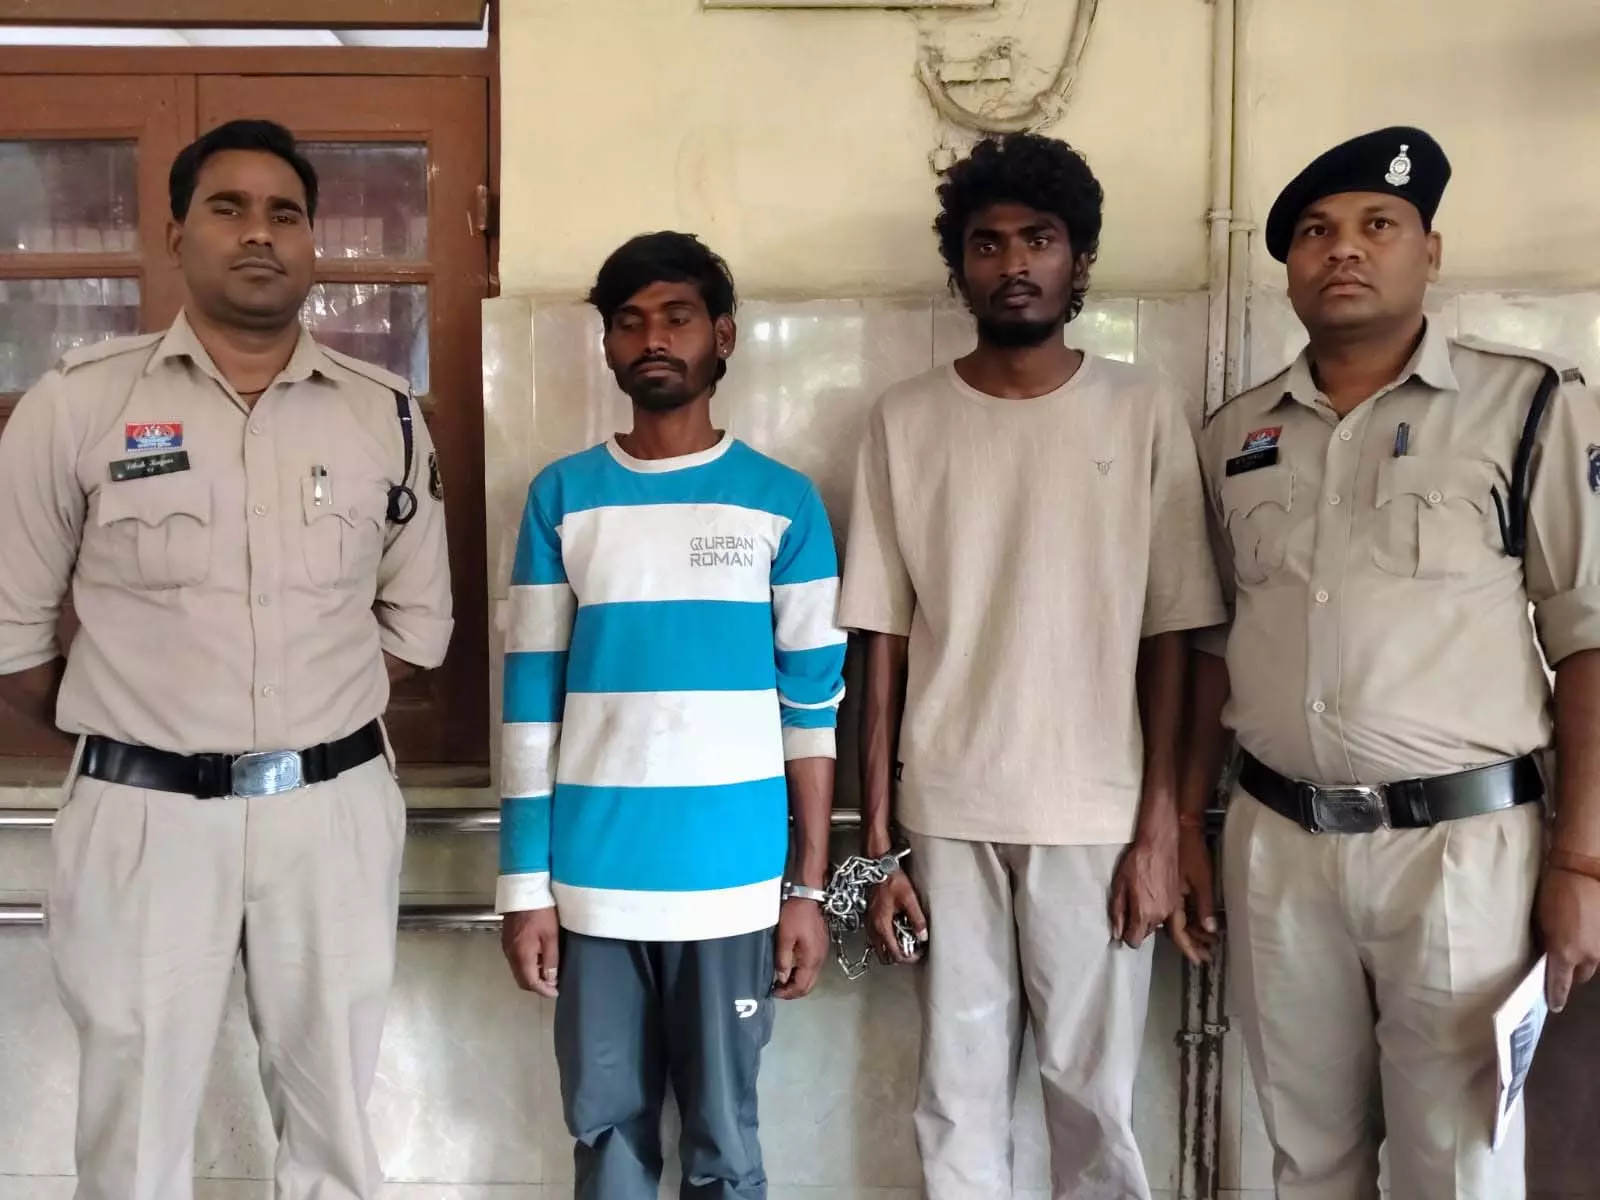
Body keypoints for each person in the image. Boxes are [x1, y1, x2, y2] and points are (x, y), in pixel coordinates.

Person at [0, 119, 452, 1200]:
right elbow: (14, 644)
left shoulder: (383, 414)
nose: (259, 233)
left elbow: (415, 627)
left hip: (329, 814)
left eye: (284, 213)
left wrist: (306, 721)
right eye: (228, 208)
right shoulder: (78, 405)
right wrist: (153, 723)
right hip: (144, 818)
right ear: (176, 234)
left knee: (336, 1129)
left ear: (312, 241)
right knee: (133, 1137)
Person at [1178, 125, 1600, 1200]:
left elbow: (1589, 637)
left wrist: (1581, 864)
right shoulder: (1235, 434)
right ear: (1289, 268)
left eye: (1378, 224)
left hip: (1460, 848)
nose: (1344, 250)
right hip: (1277, 842)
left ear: (1430, 250)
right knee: (1302, 1157)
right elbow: (1214, 643)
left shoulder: (1527, 405)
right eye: (1316, 233)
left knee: (1455, 1163)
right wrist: (1182, 821)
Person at [837, 133, 1225, 1200]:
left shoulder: (1141, 410)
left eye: (1039, 240)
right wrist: (878, 845)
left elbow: (1175, 631)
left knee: (1092, 1101)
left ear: (1078, 259)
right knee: (954, 1099)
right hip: (947, 812)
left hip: (1097, 815)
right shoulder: (905, 419)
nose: (1013, 262)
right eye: (988, 242)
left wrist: (1161, 828)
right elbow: (880, 639)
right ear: (959, 266)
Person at [496, 231, 846, 1200]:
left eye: (677, 317)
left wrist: (806, 890)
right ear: (608, 345)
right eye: (630, 321)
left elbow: (811, 714)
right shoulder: (562, 499)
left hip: (733, 888)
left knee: (724, 1143)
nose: (653, 338)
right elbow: (527, 705)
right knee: (605, 1134)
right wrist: (524, 889)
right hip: (592, 887)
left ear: (722, 336)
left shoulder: (783, 505)